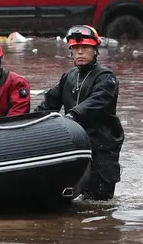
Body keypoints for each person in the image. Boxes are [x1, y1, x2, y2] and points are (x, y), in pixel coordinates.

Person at [40, 25, 124, 201]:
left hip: (102, 145)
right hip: (74, 144)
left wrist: (73, 115)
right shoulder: (69, 76)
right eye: (76, 49)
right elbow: (49, 104)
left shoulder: (106, 77)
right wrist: (31, 121)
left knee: (100, 201)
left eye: (85, 48)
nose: (80, 53)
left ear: (95, 51)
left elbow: (97, 101)